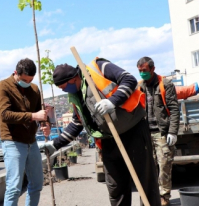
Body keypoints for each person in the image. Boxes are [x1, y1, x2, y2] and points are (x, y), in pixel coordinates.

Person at [40, 58, 161, 206]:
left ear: (73, 79)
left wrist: (113, 101)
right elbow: (77, 123)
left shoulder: (97, 68)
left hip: (133, 131)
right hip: (108, 140)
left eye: (64, 87)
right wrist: (55, 144)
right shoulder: (76, 96)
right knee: (116, 187)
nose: (64, 91)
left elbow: (129, 79)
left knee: (145, 181)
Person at [0, 58, 52, 206]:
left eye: (31, 80)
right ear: (16, 73)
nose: (28, 83)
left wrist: (46, 124)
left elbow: (41, 112)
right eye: (25, 80)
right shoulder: (3, 87)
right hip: (12, 141)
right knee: (14, 187)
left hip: (31, 142)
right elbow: (5, 115)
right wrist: (33, 116)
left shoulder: (34, 89)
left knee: (37, 184)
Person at [137, 56, 180, 206]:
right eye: (140, 71)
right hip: (146, 134)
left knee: (164, 167)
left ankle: (164, 198)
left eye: (144, 71)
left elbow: (174, 109)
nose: (142, 74)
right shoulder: (140, 86)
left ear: (152, 69)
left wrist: (173, 132)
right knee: (149, 169)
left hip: (161, 133)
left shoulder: (165, 84)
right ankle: (150, 198)